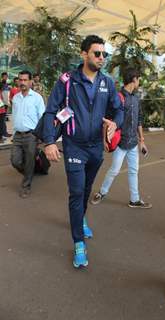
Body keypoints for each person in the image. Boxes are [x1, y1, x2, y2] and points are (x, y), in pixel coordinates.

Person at [43, 35, 124, 268]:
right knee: (77, 192)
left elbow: (118, 110)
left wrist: (114, 124)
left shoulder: (107, 83)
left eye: (104, 54)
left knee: (87, 189)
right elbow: (51, 112)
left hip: (96, 148)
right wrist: (49, 141)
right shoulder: (67, 80)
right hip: (74, 145)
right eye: (97, 53)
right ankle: (78, 242)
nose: (102, 58)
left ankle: (80, 219)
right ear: (84, 54)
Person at [91, 67, 152, 209]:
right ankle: (101, 192)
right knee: (114, 170)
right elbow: (107, 119)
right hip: (120, 143)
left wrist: (142, 140)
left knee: (133, 171)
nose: (139, 82)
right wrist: (105, 140)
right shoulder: (117, 98)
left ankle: (134, 199)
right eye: (139, 79)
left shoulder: (136, 99)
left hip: (133, 143)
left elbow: (139, 120)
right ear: (134, 79)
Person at [11, 70, 45, 198]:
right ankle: (29, 171)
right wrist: (14, 134)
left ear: (31, 82)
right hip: (18, 135)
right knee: (15, 161)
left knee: (29, 160)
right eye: (20, 80)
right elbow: (15, 116)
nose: (22, 82)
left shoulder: (37, 98)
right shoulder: (15, 98)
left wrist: (41, 136)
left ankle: (26, 186)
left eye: (25, 80)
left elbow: (42, 117)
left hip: (31, 135)